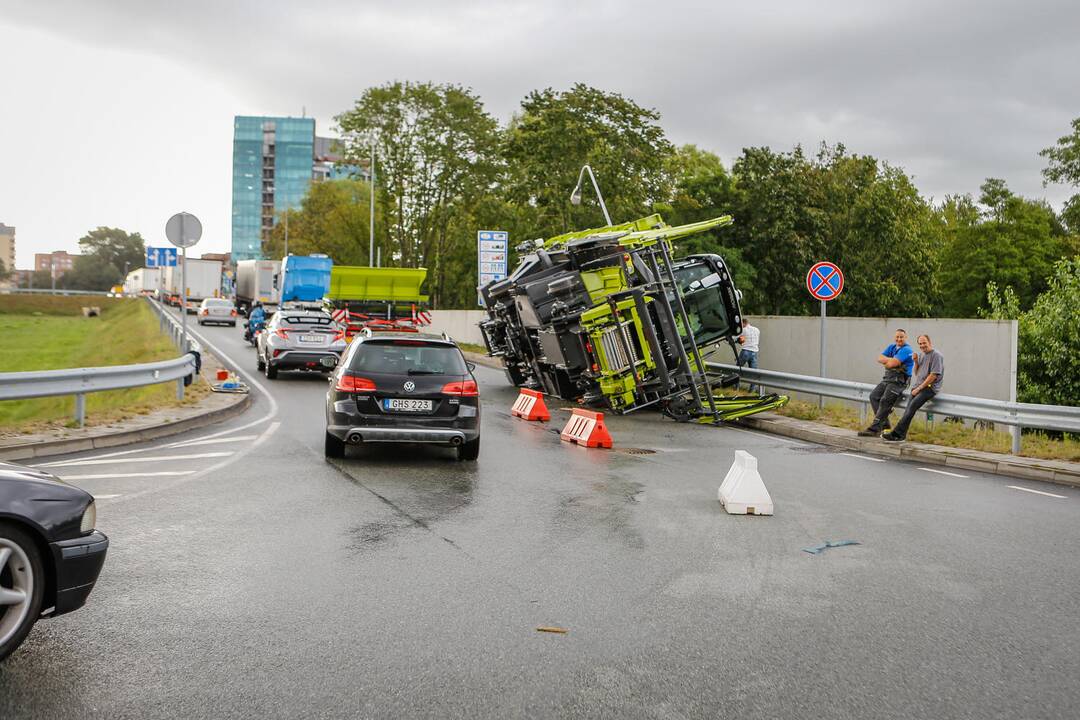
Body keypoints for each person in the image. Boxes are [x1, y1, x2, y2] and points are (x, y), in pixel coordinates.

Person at [884, 335, 944, 441]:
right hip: (918, 387)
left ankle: (895, 433)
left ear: (929, 342)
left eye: (924, 343)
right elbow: (917, 373)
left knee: (911, 408)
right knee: (908, 410)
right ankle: (901, 436)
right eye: (920, 344)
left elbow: (933, 375)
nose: (922, 345)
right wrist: (916, 361)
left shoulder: (936, 355)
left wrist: (919, 388)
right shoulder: (921, 355)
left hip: (929, 388)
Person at [858, 328, 914, 437]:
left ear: (906, 338)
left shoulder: (907, 350)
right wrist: (891, 361)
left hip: (899, 382)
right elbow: (879, 358)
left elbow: (890, 364)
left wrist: (888, 361)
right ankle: (885, 425)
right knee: (874, 396)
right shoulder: (891, 347)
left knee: (885, 401)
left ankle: (874, 429)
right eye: (897, 337)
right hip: (888, 379)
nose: (899, 339)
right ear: (894, 337)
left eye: (901, 337)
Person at [737, 319, 760, 394]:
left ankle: (736, 388)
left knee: (738, 369)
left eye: (741, 324)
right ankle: (751, 391)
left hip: (746, 351)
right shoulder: (757, 330)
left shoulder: (743, 330)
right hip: (755, 352)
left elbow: (740, 340)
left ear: (744, 323)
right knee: (753, 373)